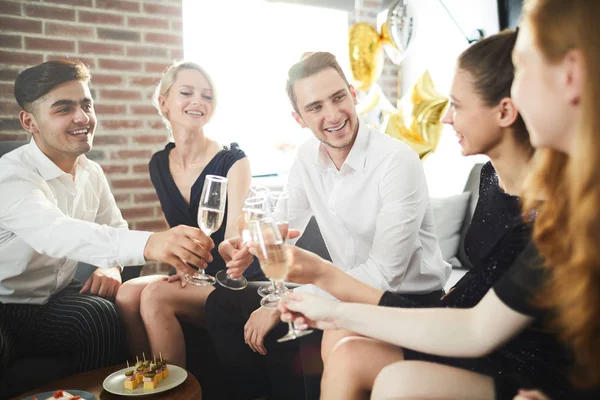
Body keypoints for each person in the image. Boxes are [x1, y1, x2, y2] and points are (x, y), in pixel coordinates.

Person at [280, 1, 600, 399]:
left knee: (393, 377)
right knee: (349, 348)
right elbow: (477, 324)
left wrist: (325, 290)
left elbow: (464, 319)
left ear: (571, 75)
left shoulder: (566, 209)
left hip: (517, 353)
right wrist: (329, 303)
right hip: (486, 329)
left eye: (525, 70)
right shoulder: (545, 195)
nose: (446, 118)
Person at [203, 51, 451, 399]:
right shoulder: (306, 155)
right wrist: (249, 246)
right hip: (343, 292)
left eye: (338, 98)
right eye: (315, 107)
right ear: (299, 118)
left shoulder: (397, 161)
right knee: (221, 304)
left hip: (403, 301)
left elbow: (385, 276)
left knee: (296, 329)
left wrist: (285, 301)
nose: (333, 115)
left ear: (353, 93)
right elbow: (285, 221)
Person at [0, 60, 214, 381]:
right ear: (29, 121)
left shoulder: (91, 171)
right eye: (63, 109)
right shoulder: (11, 175)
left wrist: (109, 266)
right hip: (6, 304)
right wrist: (153, 242)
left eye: (86, 104)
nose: (82, 118)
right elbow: (55, 233)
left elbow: (114, 228)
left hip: (55, 297)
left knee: (100, 315)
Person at [115, 61, 256, 369]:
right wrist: (184, 267)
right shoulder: (159, 164)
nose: (198, 102)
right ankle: (144, 380)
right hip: (191, 274)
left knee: (153, 294)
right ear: (163, 103)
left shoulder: (233, 161)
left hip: (229, 277)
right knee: (127, 293)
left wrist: (220, 257)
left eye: (207, 96)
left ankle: (173, 392)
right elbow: (176, 235)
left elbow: (234, 233)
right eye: (187, 93)